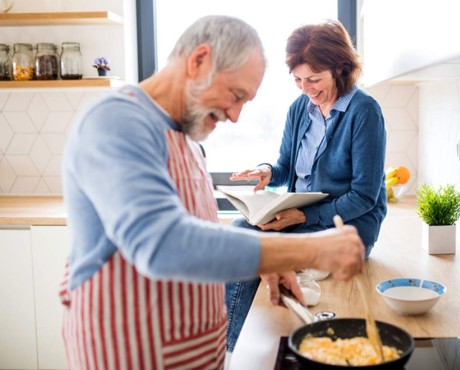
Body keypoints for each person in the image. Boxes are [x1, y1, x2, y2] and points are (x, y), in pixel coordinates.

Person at [59, 15, 365, 369]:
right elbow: (164, 243)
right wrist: (306, 249)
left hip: (188, 353)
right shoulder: (117, 121)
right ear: (199, 59)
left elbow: (193, 232)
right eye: (235, 95)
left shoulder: (184, 139)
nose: (234, 116)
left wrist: (266, 260)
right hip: (134, 354)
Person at [225, 19, 387, 352]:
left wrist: (301, 217)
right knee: (241, 229)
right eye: (298, 80)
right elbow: (287, 166)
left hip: (349, 225)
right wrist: (267, 171)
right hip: (300, 216)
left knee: (253, 245)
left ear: (340, 69)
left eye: (314, 79)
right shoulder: (300, 108)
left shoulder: (365, 112)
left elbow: (364, 197)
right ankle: (233, 346)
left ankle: (230, 348)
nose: (306, 88)